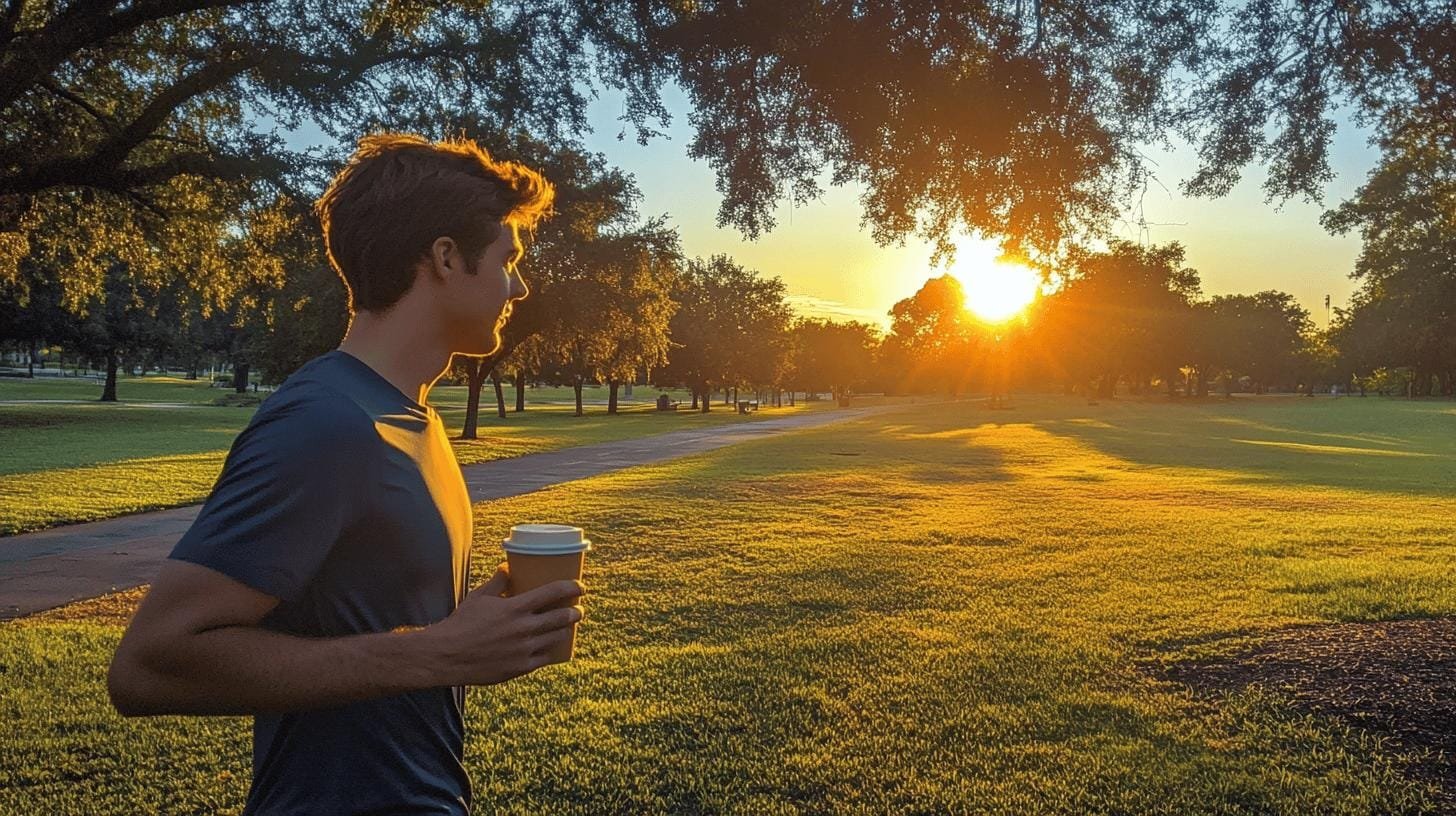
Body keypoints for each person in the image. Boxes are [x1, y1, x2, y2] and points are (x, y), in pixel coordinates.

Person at [107, 133, 583, 815]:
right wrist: (435, 654)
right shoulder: (327, 423)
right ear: (446, 257)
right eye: (509, 259)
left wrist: (471, 633)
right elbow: (147, 666)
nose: (520, 285)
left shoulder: (414, 419)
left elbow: (386, 628)